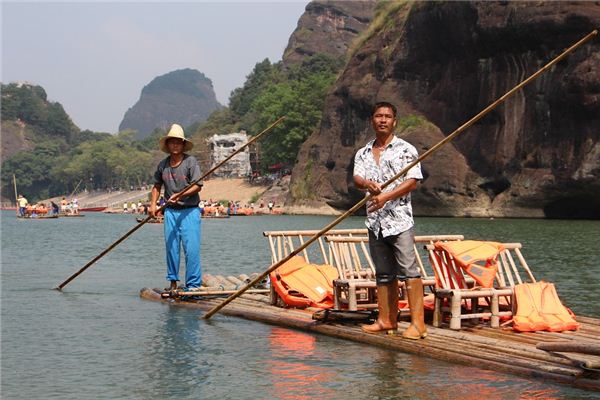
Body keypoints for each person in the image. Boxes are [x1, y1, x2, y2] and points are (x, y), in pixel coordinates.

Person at [353, 101, 426, 340]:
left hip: (400, 221)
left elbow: (413, 181)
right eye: (378, 116)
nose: (382, 120)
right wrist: (367, 184)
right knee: (383, 273)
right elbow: (357, 177)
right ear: (372, 120)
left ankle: (418, 325)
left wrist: (386, 196)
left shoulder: (406, 149)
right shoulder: (363, 152)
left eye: (387, 116)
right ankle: (386, 321)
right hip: (375, 221)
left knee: (409, 270)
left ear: (394, 121)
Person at [150, 124, 203, 292]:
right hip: (171, 212)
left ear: (182, 145)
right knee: (171, 248)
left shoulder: (190, 162)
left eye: (178, 142)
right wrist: (153, 205)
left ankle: (193, 285)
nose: (175, 145)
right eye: (172, 142)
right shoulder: (162, 165)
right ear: (167, 145)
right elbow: (157, 186)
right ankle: (173, 283)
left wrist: (180, 195)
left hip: (189, 211)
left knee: (191, 249)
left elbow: (197, 186)